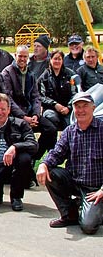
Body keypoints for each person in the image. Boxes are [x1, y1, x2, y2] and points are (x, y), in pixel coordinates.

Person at [37, 92, 103, 234]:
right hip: (74, 181)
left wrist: (102, 190)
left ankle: (93, 210)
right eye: (77, 107)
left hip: (96, 188)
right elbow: (56, 153)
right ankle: (69, 215)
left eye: (85, 106)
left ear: (93, 108)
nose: (81, 110)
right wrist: (43, 164)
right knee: (51, 172)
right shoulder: (69, 131)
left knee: (89, 226)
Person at [2, 45, 57, 163]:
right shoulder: (7, 73)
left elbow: (36, 96)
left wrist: (36, 115)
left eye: (25, 57)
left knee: (51, 129)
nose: (22, 59)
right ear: (15, 55)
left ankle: (39, 159)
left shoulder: (31, 74)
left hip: (31, 114)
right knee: (23, 136)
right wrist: (23, 117)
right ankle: (27, 161)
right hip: (14, 115)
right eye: (20, 56)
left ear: (28, 57)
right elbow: (8, 99)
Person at [38, 49, 77, 131]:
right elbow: (41, 96)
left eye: (59, 59)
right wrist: (54, 104)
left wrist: (69, 108)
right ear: (50, 60)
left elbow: (75, 94)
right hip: (50, 109)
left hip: (67, 108)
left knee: (71, 123)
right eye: (55, 59)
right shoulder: (44, 77)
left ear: (62, 60)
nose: (57, 61)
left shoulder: (70, 75)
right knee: (51, 117)